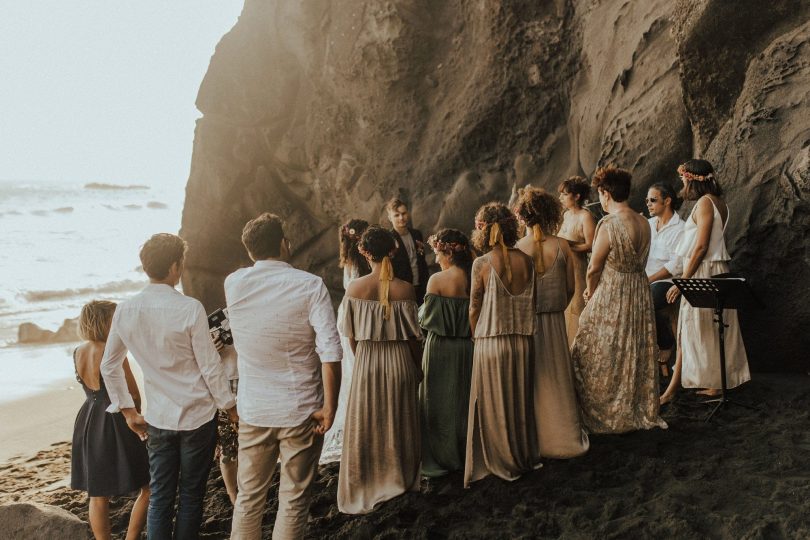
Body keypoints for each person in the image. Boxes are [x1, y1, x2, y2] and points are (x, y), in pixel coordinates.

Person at [101, 233, 237, 540]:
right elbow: (209, 365)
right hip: (198, 417)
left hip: (158, 418)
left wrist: (128, 412)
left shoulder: (126, 309)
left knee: (160, 497)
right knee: (190, 496)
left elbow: (109, 365)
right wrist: (230, 407)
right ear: (175, 266)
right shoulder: (190, 308)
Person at [225, 213, 342, 539]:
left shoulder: (233, 284)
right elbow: (330, 352)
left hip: (254, 410)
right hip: (300, 409)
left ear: (250, 251)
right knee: (293, 500)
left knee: (248, 498)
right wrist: (331, 407)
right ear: (283, 244)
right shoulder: (309, 286)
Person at [570, 167, 667, 434]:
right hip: (638, 290)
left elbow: (594, 267)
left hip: (613, 290)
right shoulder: (644, 222)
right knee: (632, 349)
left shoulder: (610, 223)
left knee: (590, 348)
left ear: (605, 192)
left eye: (600, 193)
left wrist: (590, 293)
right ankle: (634, 407)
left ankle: (606, 410)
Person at [337, 226, 422, 514]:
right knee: (399, 422)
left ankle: (370, 482)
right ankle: (399, 478)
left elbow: (350, 336)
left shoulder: (354, 288)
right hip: (400, 362)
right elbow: (412, 338)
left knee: (368, 423)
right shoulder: (405, 289)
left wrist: (363, 361)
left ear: (363, 251)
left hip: (367, 361)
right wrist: (418, 368)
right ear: (393, 250)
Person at [660, 159, 751, 403]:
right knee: (710, 329)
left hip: (703, 270)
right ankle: (714, 383)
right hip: (715, 269)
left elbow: (700, 247)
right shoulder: (719, 202)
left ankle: (673, 390)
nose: (682, 183)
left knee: (690, 329)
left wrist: (682, 282)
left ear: (692, 179)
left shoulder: (704, 203)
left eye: (683, 179)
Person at [465, 203, 539, 488]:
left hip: (491, 341)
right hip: (523, 341)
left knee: (494, 407)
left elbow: (474, 306)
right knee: (519, 402)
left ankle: (501, 460)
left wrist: (475, 334)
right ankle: (520, 456)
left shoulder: (482, 263)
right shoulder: (528, 261)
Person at [515, 187, 589, 459]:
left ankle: (538, 438)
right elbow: (571, 287)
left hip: (529, 324)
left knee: (535, 379)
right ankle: (563, 436)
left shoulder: (518, 249)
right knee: (558, 378)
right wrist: (557, 306)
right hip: (555, 322)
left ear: (523, 218)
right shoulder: (562, 246)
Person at [71, 300, 150, 540]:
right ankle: (131, 537)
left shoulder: (78, 351)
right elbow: (132, 393)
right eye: (115, 319)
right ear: (104, 322)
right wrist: (136, 419)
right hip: (115, 418)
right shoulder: (112, 350)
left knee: (97, 494)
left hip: (88, 419)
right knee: (150, 484)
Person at [419, 228, 474, 477]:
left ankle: (443, 454)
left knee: (439, 403)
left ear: (448, 253)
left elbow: (426, 319)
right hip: (468, 347)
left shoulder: (437, 281)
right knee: (464, 401)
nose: (436, 260)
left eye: (438, 254)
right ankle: (466, 453)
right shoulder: (475, 275)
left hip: (440, 348)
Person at [321, 219, 371, 464]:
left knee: (352, 371)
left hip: (347, 314)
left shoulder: (349, 263)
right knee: (356, 368)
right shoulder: (362, 264)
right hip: (358, 314)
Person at [644, 183, 685, 375]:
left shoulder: (681, 228)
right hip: (645, 277)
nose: (649, 204)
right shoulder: (649, 224)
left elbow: (676, 265)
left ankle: (666, 342)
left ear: (667, 201)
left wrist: (649, 279)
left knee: (647, 300)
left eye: (653, 200)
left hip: (668, 281)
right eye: (647, 201)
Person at [557, 176, 596, 346]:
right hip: (562, 266)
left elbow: (591, 245)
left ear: (577, 196)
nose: (561, 198)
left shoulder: (585, 216)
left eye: (565, 194)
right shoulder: (565, 215)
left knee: (577, 306)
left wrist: (570, 246)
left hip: (578, 267)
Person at [386, 198, 429, 304]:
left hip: (422, 287)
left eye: (404, 213)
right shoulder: (388, 239)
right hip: (402, 291)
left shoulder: (416, 234)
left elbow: (422, 262)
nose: (401, 218)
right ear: (390, 218)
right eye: (396, 215)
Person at [215, 343, 239, 504]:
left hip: (254, 373)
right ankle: (233, 497)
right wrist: (208, 347)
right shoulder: (198, 317)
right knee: (228, 445)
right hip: (222, 380)